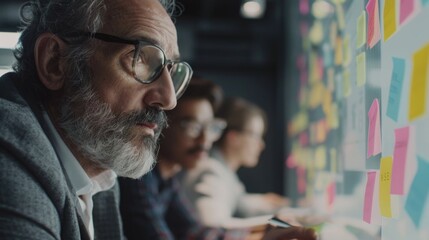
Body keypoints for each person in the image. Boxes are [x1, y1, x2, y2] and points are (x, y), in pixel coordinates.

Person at [0, 0, 192, 239]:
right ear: (55, 62)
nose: (169, 99)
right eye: (140, 57)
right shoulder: (8, 151)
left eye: (171, 70)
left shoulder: (96, 168)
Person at [119, 77, 317, 240]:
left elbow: (196, 233)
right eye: (192, 126)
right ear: (161, 124)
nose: (205, 140)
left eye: (211, 127)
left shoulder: (167, 180)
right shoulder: (138, 178)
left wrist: (263, 234)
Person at [180, 97, 289, 229]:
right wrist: (277, 224)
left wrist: (267, 202)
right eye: (256, 136)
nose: (261, 145)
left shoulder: (223, 170)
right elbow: (214, 226)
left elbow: (239, 202)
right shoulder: (211, 171)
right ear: (233, 137)